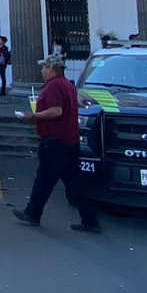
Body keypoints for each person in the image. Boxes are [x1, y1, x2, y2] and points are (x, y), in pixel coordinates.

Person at [14, 54, 101, 233]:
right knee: (74, 182)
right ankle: (90, 219)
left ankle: (33, 213)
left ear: (52, 69)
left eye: (44, 67)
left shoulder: (54, 86)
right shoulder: (68, 85)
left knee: (44, 179)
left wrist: (34, 116)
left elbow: (56, 111)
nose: (42, 71)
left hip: (55, 141)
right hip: (69, 140)